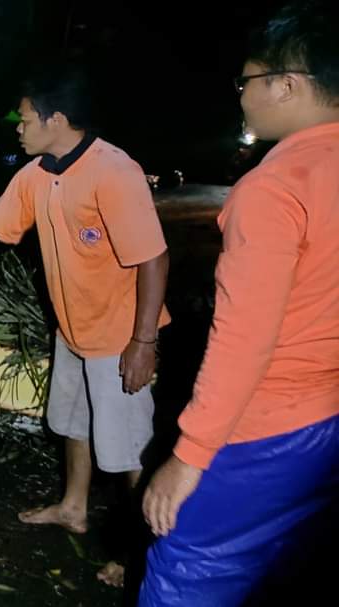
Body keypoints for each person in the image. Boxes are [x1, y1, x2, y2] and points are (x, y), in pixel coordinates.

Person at [0, 65, 170, 588]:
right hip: (73, 333)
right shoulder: (37, 175)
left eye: (26, 118)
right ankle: (74, 508)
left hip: (118, 337)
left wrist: (143, 342)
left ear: (57, 118)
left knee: (128, 453)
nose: (19, 128)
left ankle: (143, 557)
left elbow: (154, 260)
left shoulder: (113, 172)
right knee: (72, 424)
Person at [140, 2, 339, 604]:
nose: (242, 95)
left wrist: (189, 455)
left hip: (269, 427)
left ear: (288, 84)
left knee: (187, 571)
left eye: (247, 80)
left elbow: (244, 337)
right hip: (328, 423)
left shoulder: (277, 187)